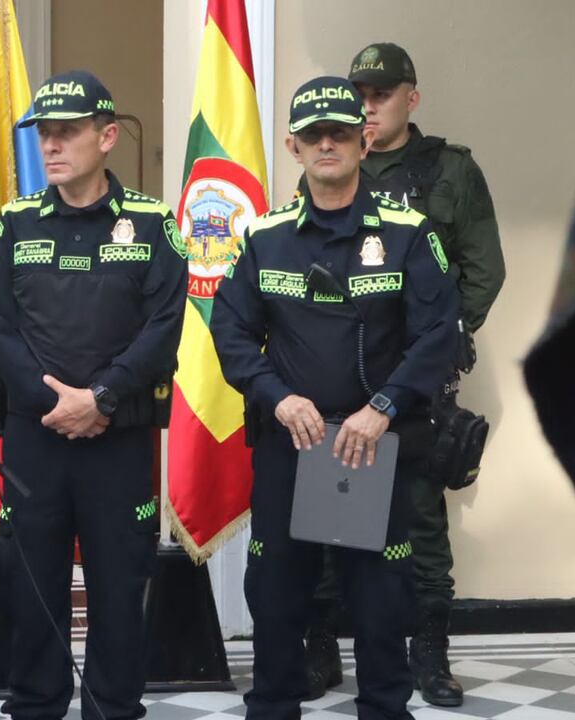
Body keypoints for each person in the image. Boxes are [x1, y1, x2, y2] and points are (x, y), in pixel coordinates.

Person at [212, 76, 458, 719]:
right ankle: (272, 708)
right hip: (291, 442)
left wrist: (384, 408)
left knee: (380, 597)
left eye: (341, 133)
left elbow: (439, 333)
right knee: (276, 593)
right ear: (292, 147)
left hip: (370, 444)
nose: (328, 144)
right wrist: (276, 397)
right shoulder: (264, 237)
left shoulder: (408, 234)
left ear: (364, 140)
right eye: (314, 135)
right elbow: (230, 331)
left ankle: (384, 708)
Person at [302, 43, 506, 707]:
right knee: (330, 511)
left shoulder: (450, 171)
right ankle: (321, 647)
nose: (367, 106)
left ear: (410, 99)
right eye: (359, 93)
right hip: (342, 373)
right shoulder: (332, 161)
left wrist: (438, 338)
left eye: (381, 94)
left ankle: (430, 653)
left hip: (416, 378)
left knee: (419, 518)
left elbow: (483, 269)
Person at [0, 70, 187, 720]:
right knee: (30, 582)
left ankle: (113, 707)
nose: (51, 145)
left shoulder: (152, 224)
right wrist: (58, 405)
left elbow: (163, 327)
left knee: (120, 584)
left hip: (118, 437)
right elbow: (0, 331)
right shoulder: (13, 224)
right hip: (35, 440)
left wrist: (100, 397)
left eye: (67, 132)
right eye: (45, 134)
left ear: (107, 137)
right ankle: (36, 705)